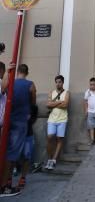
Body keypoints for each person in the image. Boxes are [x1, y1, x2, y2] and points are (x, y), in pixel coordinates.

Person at [0, 64, 36, 197]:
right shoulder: (30, 85)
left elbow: (3, 90)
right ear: (27, 72)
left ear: (18, 71)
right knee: (12, 154)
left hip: (8, 120)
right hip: (20, 122)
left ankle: (6, 182)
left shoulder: (10, 83)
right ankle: (4, 186)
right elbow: (33, 101)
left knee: (8, 152)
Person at [45, 75, 69, 170]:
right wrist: (60, 102)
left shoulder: (67, 93)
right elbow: (47, 104)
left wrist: (53, 104)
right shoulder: (51, 92)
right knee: (50, 137)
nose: (58, 84)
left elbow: (66, 105)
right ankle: (50, 158)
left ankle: (54, 159)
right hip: (52, 119)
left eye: (59, 82)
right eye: (56, 82)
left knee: (59, 139)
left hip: (62, 119)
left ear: (63, 83)